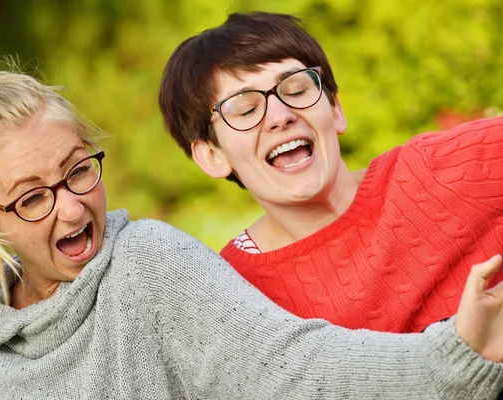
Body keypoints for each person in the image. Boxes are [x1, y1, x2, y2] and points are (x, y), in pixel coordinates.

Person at [0, 71, 503, 400]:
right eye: (32, 197)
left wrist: (459, 351)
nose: (72, 207)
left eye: (79, 170)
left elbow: (299, 370)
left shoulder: (146, 267)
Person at [159, 11, 503, 334]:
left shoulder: (439, 169)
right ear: (212, 155)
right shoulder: (235, 297)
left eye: (295, 89)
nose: (280, 115)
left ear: (335, 108)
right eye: (246, 109)